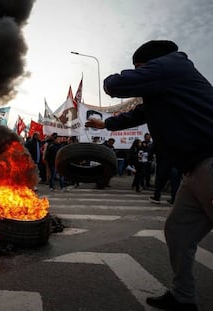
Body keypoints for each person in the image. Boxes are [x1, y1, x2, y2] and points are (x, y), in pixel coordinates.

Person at [85, 40, 213, 310]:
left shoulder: (173, 65)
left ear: (149, 64)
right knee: (178, 231)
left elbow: (117, 85)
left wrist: (109, 82)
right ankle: (183, 297)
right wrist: (104, 123)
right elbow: (137, 115)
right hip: (193, 170)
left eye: (141, 69)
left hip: (209, 162)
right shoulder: (165, 86)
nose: (143, 74)